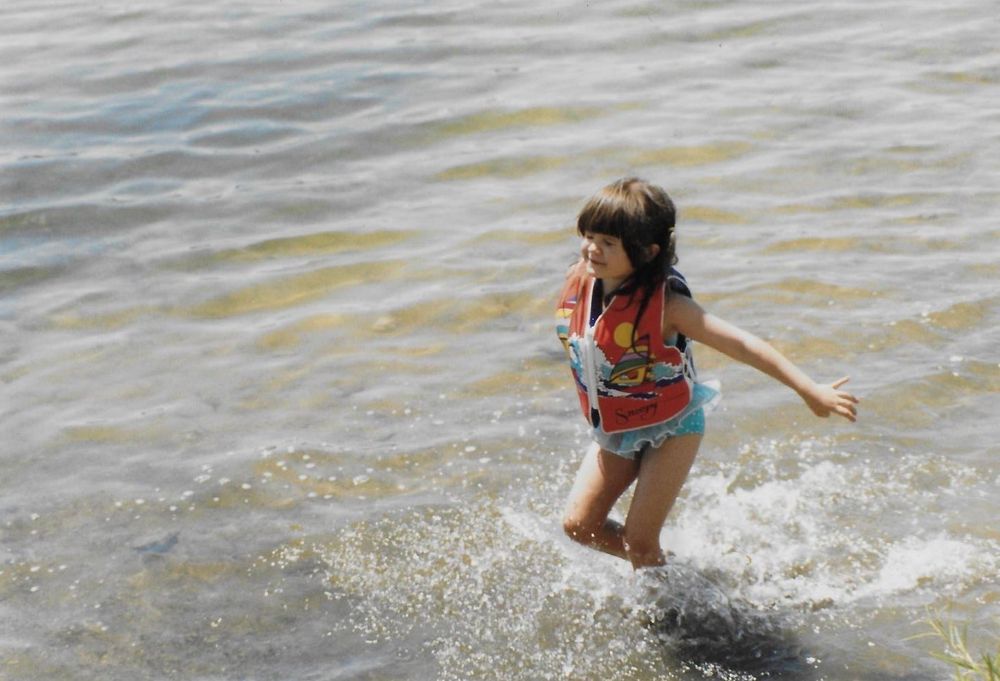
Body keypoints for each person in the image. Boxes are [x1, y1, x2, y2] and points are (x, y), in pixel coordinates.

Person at [556, 177, 859, 570]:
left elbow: (743, 344)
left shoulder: (669, 307)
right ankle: (679, 571)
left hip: (673, 425)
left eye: (608, 243)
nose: (592, 249)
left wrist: (809, 390)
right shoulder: (582, 282)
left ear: (647, 252)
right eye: (589, 236)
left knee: (639, 540)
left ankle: (661, 589)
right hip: (615, 424)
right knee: (579, 526)